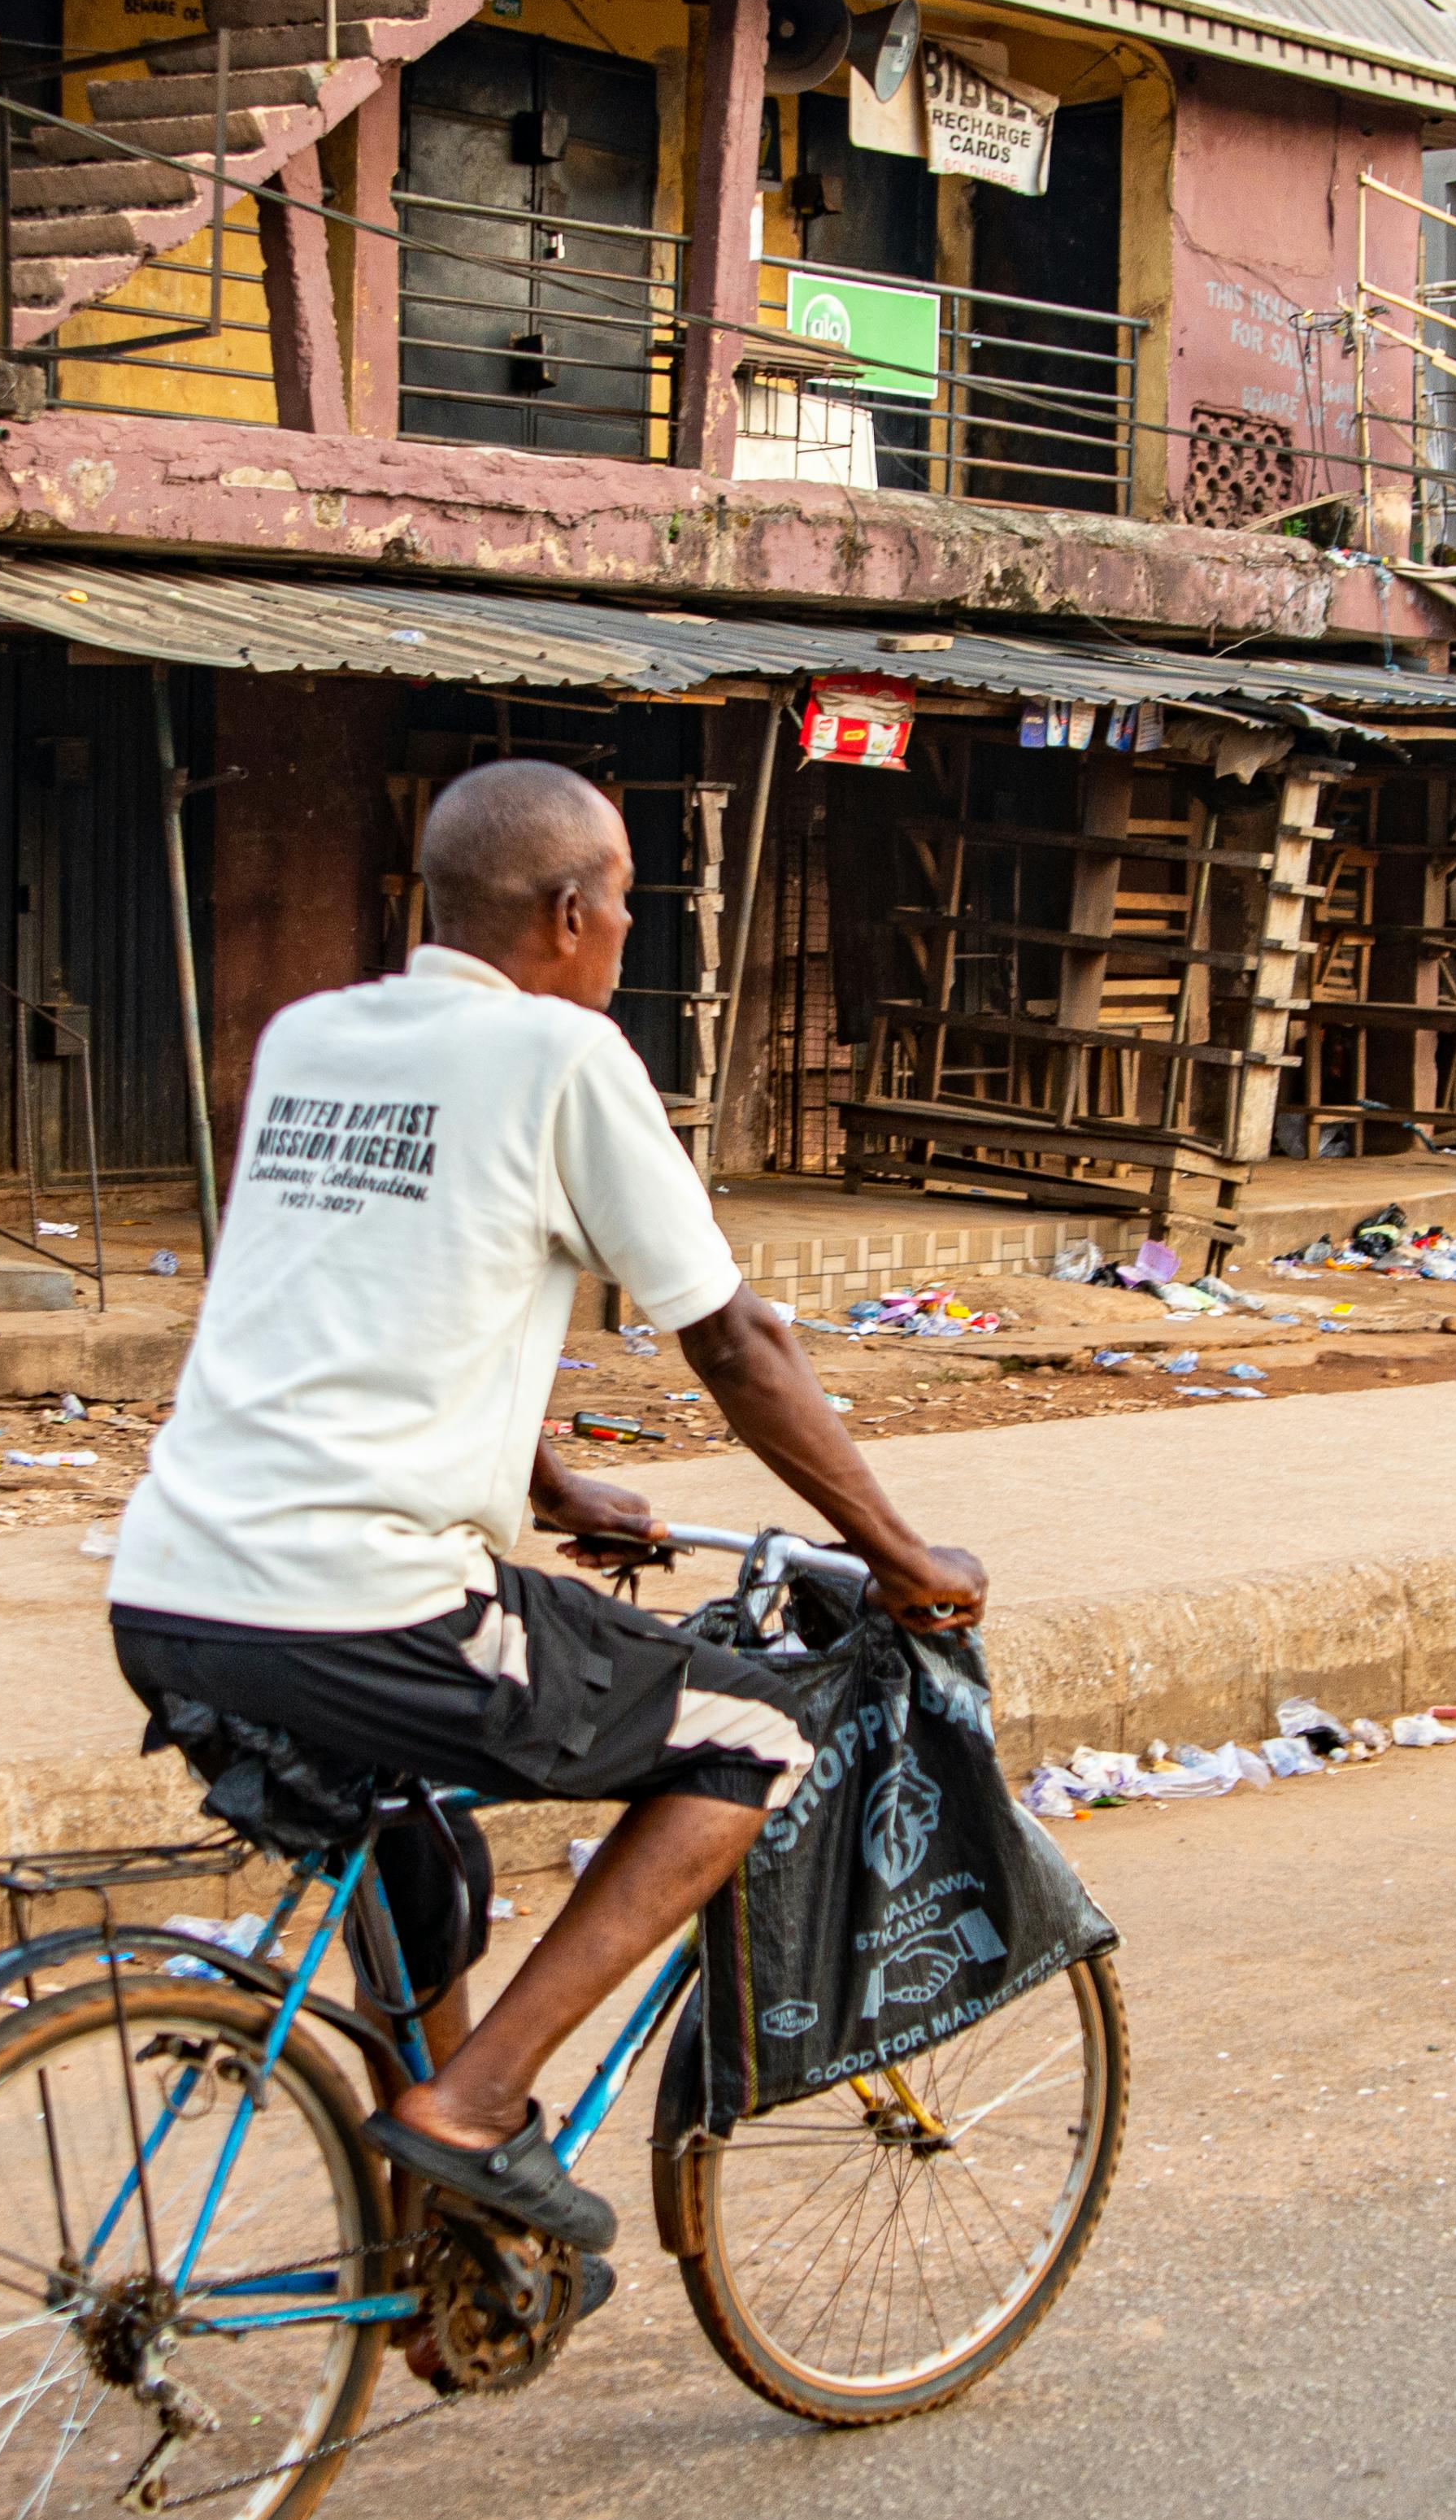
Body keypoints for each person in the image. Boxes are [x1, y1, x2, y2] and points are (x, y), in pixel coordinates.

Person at [106, 756, 984, 2256]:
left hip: (171, 1592)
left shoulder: (310, 1037)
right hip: (365, 1602)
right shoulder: (568, 1061)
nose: (632, 931)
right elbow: (737, 1344)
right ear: (573, 910)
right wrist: (903, 1558)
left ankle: (437, 2255)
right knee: (752, 1733)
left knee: (411, 1859)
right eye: (631, 901)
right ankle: (473, 2107)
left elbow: (368, 1295)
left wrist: (555, 1484)